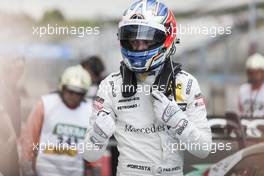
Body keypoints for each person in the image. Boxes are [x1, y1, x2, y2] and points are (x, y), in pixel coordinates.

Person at [82, 1, 212, 176]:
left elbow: (203, 149)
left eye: (146, 40)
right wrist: (98, 135)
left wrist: (177, 120)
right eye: (133, 40)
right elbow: (90, 155)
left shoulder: (187, 83)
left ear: (167, 38)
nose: (139, 47)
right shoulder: (111, 86)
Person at [20, 65, 93, 176]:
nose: (73, 96)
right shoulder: (45, 104)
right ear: (62, 88)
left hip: (75, 171)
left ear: (84, 94)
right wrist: (27, 167)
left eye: (78, 93)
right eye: (70, 91)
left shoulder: (90, 111)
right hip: (45, 171)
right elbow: (29, 137)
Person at [238, 53, 264, 118]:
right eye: (250, 73)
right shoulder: (243, 89)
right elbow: (239, 111)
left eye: (257, 72)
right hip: (246, 126)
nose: (253, 76)